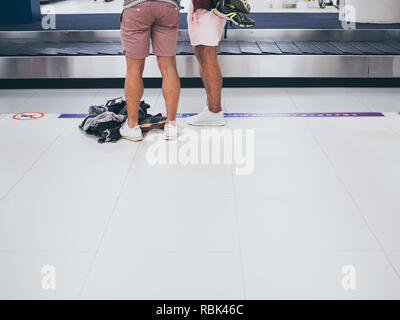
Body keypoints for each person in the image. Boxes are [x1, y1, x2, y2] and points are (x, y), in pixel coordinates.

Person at [119, 0, 182, 141]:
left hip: (136, 6)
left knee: (134, 68)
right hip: (168, 6)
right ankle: (171, 126)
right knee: (169, 66)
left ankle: (132, 127)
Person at [184, 0, 227, 127]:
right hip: (203, 8)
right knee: (203, 57)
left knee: (208, 58)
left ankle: (215, 112)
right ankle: (210, 109)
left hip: (207, 10)